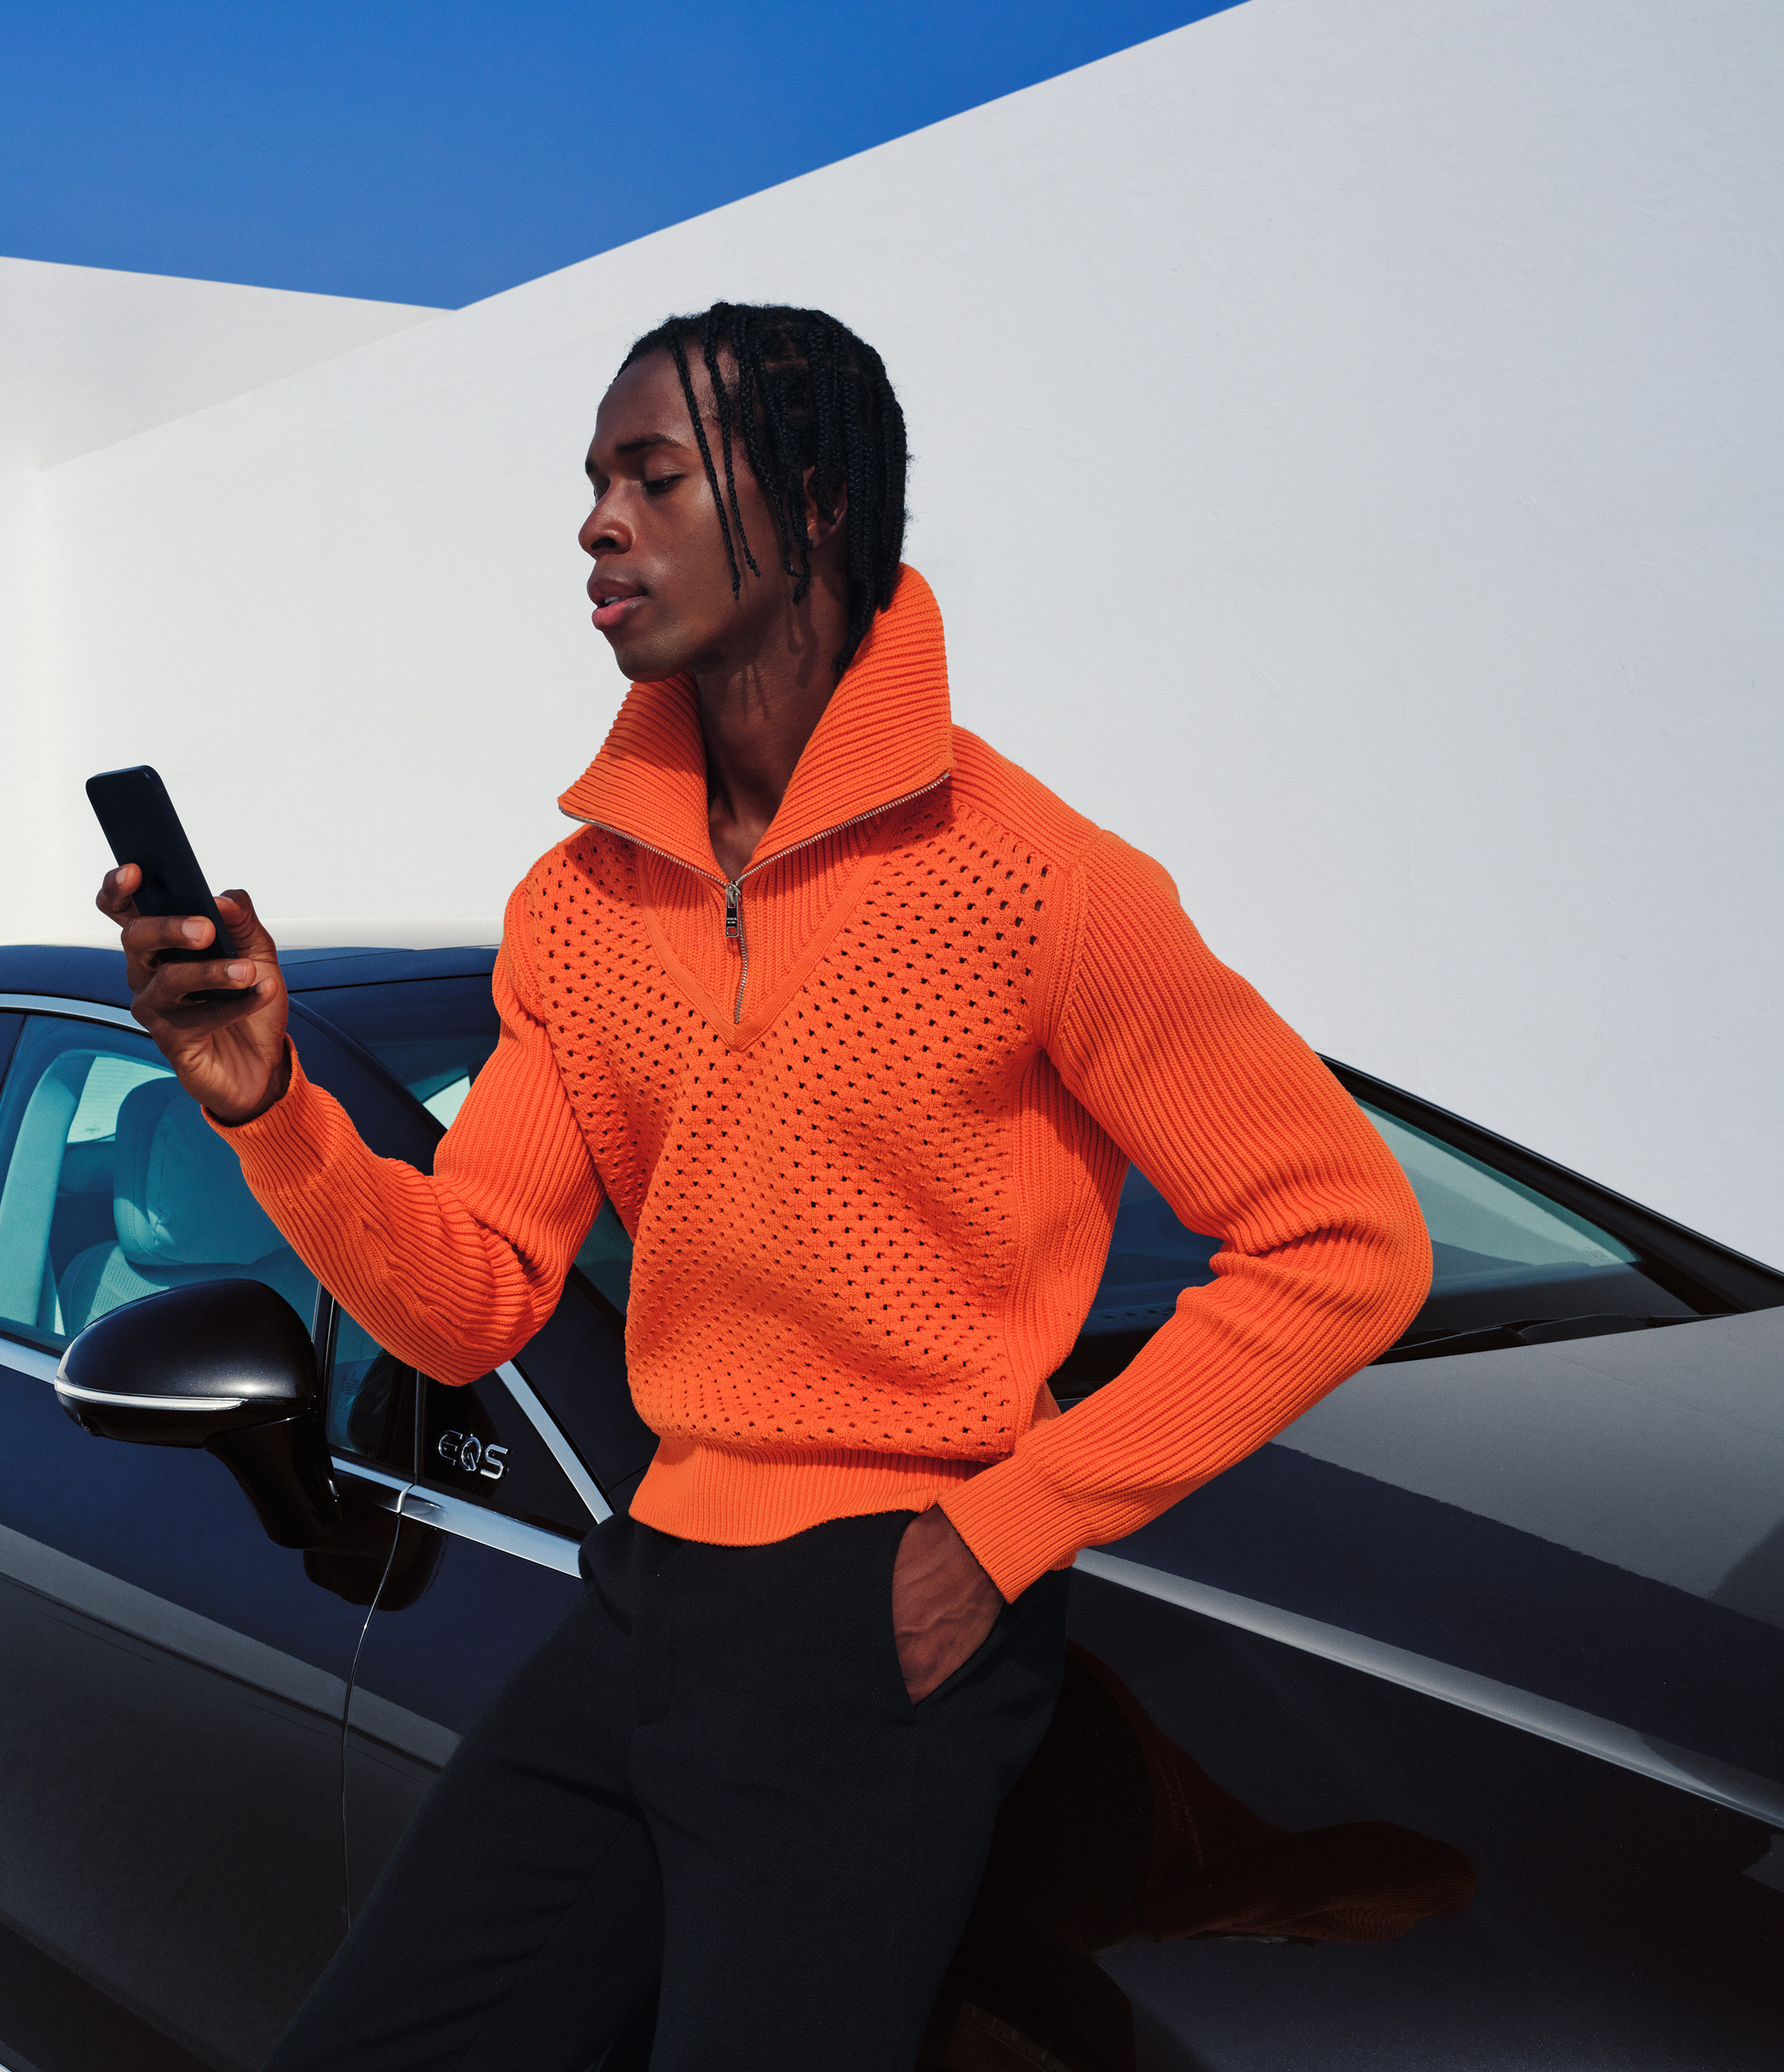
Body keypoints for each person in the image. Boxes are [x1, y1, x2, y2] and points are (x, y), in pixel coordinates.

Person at [98, 302, 1430, 2071]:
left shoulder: (1040, 882)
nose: (593, 521)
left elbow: (1342, 1239)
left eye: (650, 474)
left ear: (807, 504)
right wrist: (270, 1109)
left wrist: (1001, 1532)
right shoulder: (574, 907)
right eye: (590, 480)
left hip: (893, 1609)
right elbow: (468, 1293)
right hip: (650, 1583)